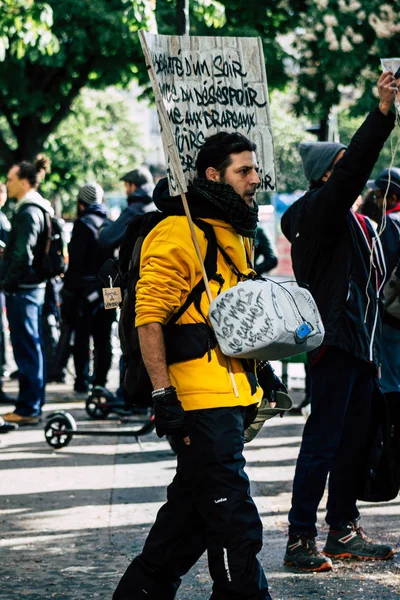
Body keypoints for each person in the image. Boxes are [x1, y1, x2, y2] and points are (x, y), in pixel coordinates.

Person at [113, 132, 272, 600]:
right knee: (233, 525)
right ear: (212, 175)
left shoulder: (234, 231)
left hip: (233, 397)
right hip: (199, 404)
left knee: (187, 526)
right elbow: (149, 319)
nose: (254, 179)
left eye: (253, 169)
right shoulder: (177, 231)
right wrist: (164, 395)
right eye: (243, 170)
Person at [280, 71, 397, 572]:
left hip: (360, 346)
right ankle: (300, 538)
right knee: (324, 439)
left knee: (352, 439)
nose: (354, 174)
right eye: (345, 168)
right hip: (336, 343)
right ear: (330, 174)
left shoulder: (345, 217)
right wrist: (382, 115)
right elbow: (354, 171)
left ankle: (342, 530)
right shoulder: (321, 209)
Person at [1, 155, 52, 425]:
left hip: (24, 290)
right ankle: (32, 404)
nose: (6, 184)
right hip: (32, 288)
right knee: (32, 346)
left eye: (10, 180)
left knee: (27, 348)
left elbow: (22, 254)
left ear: (23, 182)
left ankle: (28, 408)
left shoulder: (29, 210)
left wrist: (7, 283)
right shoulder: (37, 207)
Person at [61, 183, 115, 396]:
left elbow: (75, 263)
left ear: (81, 203)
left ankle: (82, 381)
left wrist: (68, 293)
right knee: (104, 338)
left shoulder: (82, 224)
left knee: (82, 337)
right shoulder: (110, 223)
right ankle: (100, 382)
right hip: (110, 289)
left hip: (85, 290)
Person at [369, 168, 400, 446]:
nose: (376, 200)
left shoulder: (389, 226)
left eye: (378, 195)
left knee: (391, 382)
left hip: (392, 319)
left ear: (390, 197)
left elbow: (382, 272)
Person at [98, 167, 155, 251]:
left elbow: (106, 239)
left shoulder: (134, 211)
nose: (126, 191)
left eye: (126, 186)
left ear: (133, 186)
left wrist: (108, 222)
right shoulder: (155, 206)